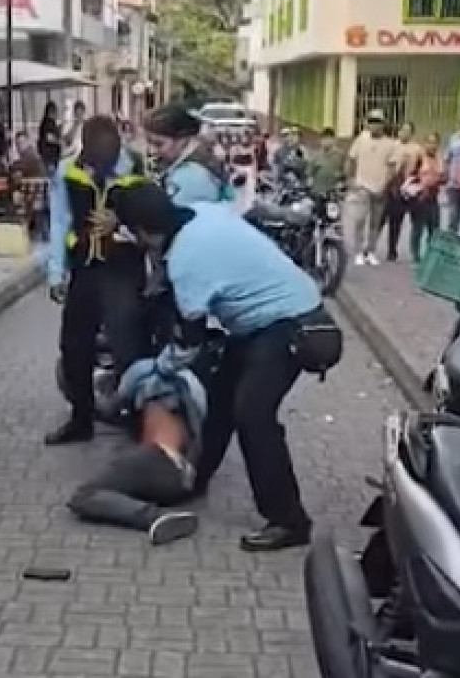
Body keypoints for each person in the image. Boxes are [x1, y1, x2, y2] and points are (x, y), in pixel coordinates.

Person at [111, 182, 334, 551]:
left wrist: (154, 372)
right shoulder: (201, 212)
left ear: (145, 232)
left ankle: (289, 520)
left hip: (290, 324)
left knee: (253, 416)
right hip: (257, 324)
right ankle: (193, 479)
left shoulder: (185, 261)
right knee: (220, 402)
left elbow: (190, 344)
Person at [46, 115, 149, 446]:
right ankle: (81, 419)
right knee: (74, 346)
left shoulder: (137, 168)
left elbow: (154, 220)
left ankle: (138, 421)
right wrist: (55, 271)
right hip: (85, 270)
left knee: (128, 347)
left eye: (106, 163)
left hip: (123, 270)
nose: (100, 169)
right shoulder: (68, 170)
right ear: (85, 150)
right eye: (95, 162)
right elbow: (60, 220)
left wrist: (122, 222)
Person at [67, 360, 208, 545]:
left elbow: (112, 404)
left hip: (159, 457)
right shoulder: (194, 393)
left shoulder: (147, 373)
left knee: (84, 495)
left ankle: (155, 516)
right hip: (187, 473)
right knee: (121, 484)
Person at [144, 102, 232, 207]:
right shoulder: (205, 160)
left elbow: (178, 219)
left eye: (159, 144)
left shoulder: (190, 176)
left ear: (182, 140)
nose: (152, 150)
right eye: (149, 142)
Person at [347, 109, 399, 266]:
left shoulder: (390, 143)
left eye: (378, 122)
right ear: (367, 124)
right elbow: (351, 160)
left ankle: (370, 251)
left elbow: (392, 167)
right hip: (362, 186)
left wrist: (385, 184)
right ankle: (358, 252)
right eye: (372, 122)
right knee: (360, 221)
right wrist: (350, 179)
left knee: (375, 223)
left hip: (380, 188)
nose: (374, 125)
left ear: (383, 124)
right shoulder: (361, 139)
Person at [379, 122, 423, 261]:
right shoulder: (392, 146)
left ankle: (392, 250)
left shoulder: (417, 149)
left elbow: (421, 166)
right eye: (402, 130)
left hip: (407, 187)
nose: (404, 132)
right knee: (381, 218)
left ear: (412, 133)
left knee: (397, 221)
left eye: (407, 130)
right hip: (391, 185)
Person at [408, 133, 444, 263]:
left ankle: (430, 256)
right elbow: (411, 175)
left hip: (434, 198)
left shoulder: (440, 160)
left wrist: (440, 180)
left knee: (434, 230)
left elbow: (444, 176)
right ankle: (415, 256)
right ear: (425, 144)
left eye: (435, 143)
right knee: (418, 228)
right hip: (420, 198)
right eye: (429, 142)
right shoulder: (419, 158)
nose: (432, 145)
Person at [308, 127, 347, 198]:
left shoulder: (340, 155)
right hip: (319, 192)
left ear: (333, 140)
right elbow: (310, 173)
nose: (325, 141)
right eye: (323, 139)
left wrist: (342, 178)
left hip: (334, 192)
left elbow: (345, 172)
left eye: (328, 139)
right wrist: (310, 182)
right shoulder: (315, 155)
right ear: (320, 140)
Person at [37, 101, 62, 174]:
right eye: (56, 112)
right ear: (52, 112)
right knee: (51, 176)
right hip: (50, 157)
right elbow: (49, 138)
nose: (57, 115)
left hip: (48, 156)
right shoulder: (48, 122)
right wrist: (60, 142)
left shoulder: (46, 122)